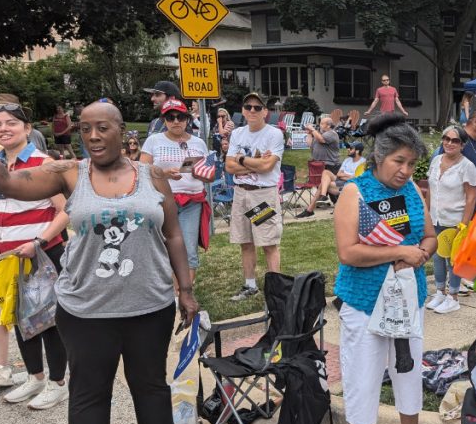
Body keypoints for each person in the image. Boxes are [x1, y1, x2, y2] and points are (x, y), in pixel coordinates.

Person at [0, 99, 201, 424]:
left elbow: (175, 235)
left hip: (149, 305)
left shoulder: (151, 177)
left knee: (151, 386)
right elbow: (11, 186)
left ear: (122, 132)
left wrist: (185, 288)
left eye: (102, 128)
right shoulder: (69, 174)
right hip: (86, 311)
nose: (92, 136)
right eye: (85, 129)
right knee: (91, 393)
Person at [333, 114, 442, 424]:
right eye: (399, 161)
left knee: (408, 371)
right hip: (365, 301)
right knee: (362, 379)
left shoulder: (411, 190)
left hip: (407, 300)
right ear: (379, 157)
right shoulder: (355, 192)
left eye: (411, 163)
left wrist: (421, 254)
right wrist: (398, 252)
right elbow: (348, 252)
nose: (405, 170)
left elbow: (429, 237)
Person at [0, 102, 70, 410]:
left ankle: (57, 383)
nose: (3, 129)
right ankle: (34, 377)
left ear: (27, 129)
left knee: (47, 319)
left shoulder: (43, 163)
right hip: (8, 257)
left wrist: (39, 240)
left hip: (40, 254)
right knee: (18, 318)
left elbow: (66, 211)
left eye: (10, 123)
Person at [140, 99, 212, 281]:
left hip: (192, 201)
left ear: (187, 119)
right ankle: (170, 295)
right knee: (164, 248)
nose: (176, 121)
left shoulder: (199, 143)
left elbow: (210, 176)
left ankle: (185, 295)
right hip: (163, 201)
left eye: (180, 117)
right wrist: (163, 174)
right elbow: (141, 172)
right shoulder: (153, 141)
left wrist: (201, 173)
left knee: (188, 250)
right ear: (164, 120)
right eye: (170, 117)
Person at [225, 92, 285, 301]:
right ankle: (250, 285)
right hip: (241, 194)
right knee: (245, 242)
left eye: (257, 108)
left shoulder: (274, 134)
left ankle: (276, 289)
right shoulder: (238, 133)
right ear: (242, 110)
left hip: (262, 196)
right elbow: (228, 167)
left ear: (265, 112)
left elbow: (268, 167)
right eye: (248, 106)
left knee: (268, 242)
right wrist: (253, 164)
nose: (252, 110)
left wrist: (241, 158)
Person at [425, 125, 476, 314]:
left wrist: (463, 224)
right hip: (436, 218)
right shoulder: (436, 161)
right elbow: (431, 190)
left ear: (462, 145)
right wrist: (426, 215)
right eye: (446, 139)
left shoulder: (467, 166)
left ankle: (453, 296)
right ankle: (440, 292)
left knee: (453, 260)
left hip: (454, 220)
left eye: (455, 140)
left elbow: (471, 197)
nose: (449, 143)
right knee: (438, 257)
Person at [295, 141, 366, 218]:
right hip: (340, 180)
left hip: (350, 184)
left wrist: (344, 176)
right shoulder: (347, 160)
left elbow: (356, 178)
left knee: (322, 185)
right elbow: (339, 174)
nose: (348, 149)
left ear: (357, 151)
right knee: (326, 172)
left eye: (351, 148)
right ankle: (323, 195)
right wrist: (348, 175)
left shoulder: (362, 162)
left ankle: (310, 209)